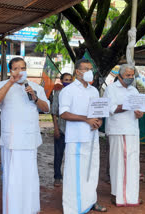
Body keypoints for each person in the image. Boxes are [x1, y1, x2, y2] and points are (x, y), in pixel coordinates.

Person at [0, 57, 50, 214]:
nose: (19, 71)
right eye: (16, 68)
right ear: (11, 70)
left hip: (30, 140)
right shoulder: (1, 85)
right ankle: (13, 210)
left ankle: (30, 209)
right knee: (13, 178)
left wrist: (35, 97)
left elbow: (46, 108)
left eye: (22, 68)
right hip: (12, 141)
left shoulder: (35, 87)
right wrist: (10, 82)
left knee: (29, 177)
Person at [59, 59, 107, 213]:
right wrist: (86, 119)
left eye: (91, 69)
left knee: (92, 170)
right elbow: (63, 113)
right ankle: (74, 206)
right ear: (77, 71)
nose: (89, 72)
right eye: (86, 69)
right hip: (77, 138)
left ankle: (91, 201)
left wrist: (99, 120)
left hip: (92, 137)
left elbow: (98, 110)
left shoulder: (93, 90)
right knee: (75, 173)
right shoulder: (68, 90)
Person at [104, 64, 143, 206]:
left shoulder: (134, 90)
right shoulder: (110, 89)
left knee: (133, 164)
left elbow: (139, 110)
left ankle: (131, 196)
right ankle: (117, 194)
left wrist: (139, 113)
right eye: (128, 75)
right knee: (117, 163)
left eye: (132, 75)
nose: (130, 78)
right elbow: (111, 108)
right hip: (117, 130)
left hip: (132, 130)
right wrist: (126, 104)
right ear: (119, 76)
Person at [52, 73, 73, 187]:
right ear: (61, 80)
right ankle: (57, 177)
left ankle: (70, 177)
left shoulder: (75, 93)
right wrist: (56, 128)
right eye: (66, 80)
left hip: (73, 129)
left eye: (70, 80)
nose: (68, 82)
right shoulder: (58, 94)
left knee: (71, 155)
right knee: (59, 154)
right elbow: (54, 112)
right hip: (61, 128)